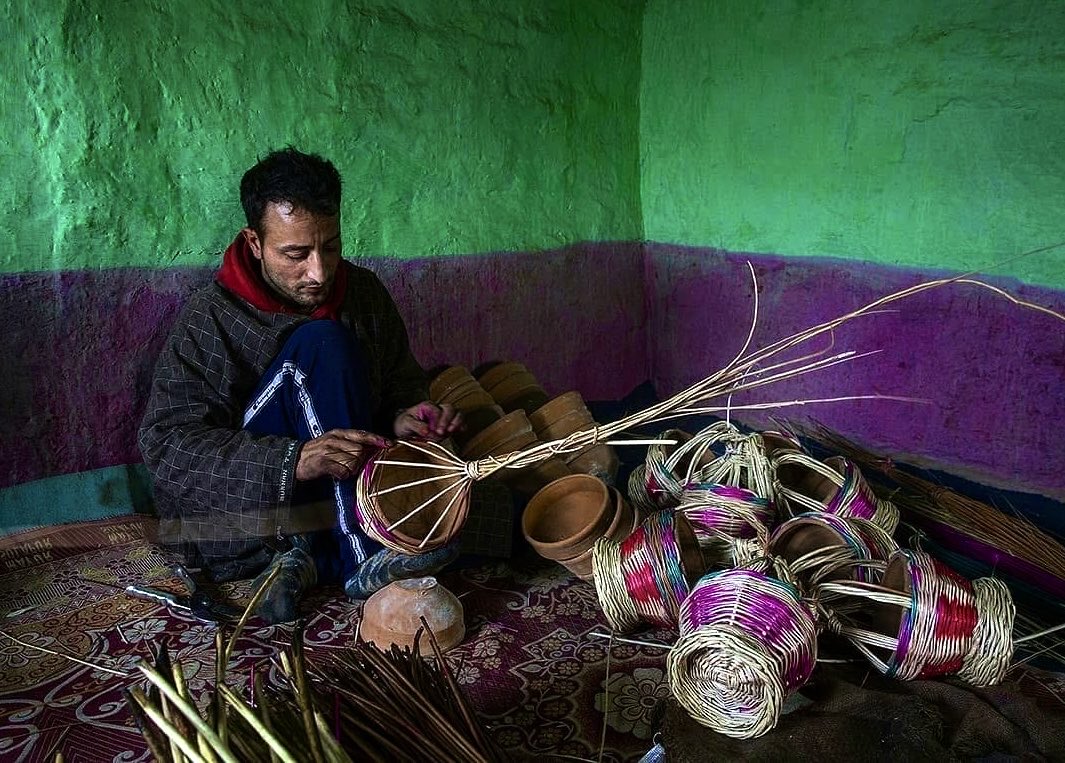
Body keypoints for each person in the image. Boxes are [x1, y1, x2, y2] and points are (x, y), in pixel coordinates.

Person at [139, 147, 465, 623]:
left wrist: (407, 415)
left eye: (330, 246)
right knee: (322, 344)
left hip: (336, 501)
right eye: (295, 254)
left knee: (487, 510)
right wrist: (295, 460)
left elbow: (401, 382)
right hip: (264, 513)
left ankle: (309, 556)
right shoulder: (209, 320)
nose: (318, 271)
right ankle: (360, 555)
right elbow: (168, 446)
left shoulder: (365, 295)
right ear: (254, 242)